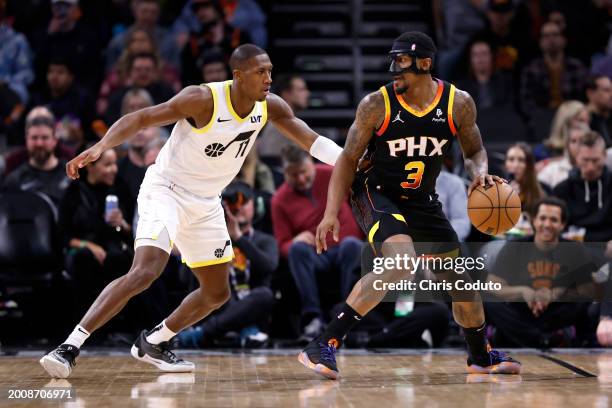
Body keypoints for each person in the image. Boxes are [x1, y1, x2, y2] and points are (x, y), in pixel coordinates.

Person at [39, 44, 343, 379]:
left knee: (217, 292)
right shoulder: (202, 99)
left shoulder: (270, 106)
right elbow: (141, 118)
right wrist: (101, 146)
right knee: (146, 270)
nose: (269, 78)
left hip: (207, 200)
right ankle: (69, 346)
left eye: (270, 70)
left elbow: (313, 142)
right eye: (261, 72)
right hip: (166, 190)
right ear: (238, 76)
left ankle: (154, 342)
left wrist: (351, 161)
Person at [299, 32, 520, 380]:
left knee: (461, 281)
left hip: (422, 199)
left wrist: (480, 173)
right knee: (400, 262)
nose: (394, 69)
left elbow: (474, 150)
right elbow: (346, 160)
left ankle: (480, 356)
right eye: (393, 60)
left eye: (401, 61)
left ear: (425, 63)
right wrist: (330, 213)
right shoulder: (376, 104)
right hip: (375, 191)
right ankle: (324, 342)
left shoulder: (457, 103)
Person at [271, 146, 362, 340]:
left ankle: (347, 315)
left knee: (353, 245)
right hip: (316, 253)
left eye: (304, 172)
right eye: (294, 175)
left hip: (346, 247)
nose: (301, 179)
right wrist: (293, 241)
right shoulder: (279, 200)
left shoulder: (331, 174)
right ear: (284, 173)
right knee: (297, 249)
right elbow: (281, 244)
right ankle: (312, 318)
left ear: (312, 165)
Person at [485, 197, 597, 347]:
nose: (547, 224)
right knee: (488, 302)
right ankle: (543, 339)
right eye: (542, 218)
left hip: (555, 313)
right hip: (521, 311)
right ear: (534, 221)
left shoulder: (575, 249)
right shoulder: (515, 247)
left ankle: (521, 337)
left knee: (583, 302)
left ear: (562, 224)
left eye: (554, 220)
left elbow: (589, 290)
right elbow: (492, 285)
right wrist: (523, 291)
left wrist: (556, 293)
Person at [177, 181, 277, 347]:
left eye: (244, 203)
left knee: (265, 294)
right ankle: (245, 330)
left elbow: (269, 267)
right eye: (233, 205)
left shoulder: (265, 240)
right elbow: (184, 276)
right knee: (218, 285)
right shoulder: (213, 237)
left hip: (251, 305)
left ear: (256, 205)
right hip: (218, 304)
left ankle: (202, 334)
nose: (238, 209)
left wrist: (239, 238)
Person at [553, 131, 612, 243]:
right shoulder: (562, 190)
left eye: (595, 160)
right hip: (573, 248)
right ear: (576, 157)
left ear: (604, 156)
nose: (590, 167)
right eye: (585, 160)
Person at [2, 115, 70, 208]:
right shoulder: (14, 181)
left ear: (54, 141)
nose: (39, 143)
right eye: (34, 137)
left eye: (45, 137)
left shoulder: (71, 175)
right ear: (26, 140)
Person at [258, 74, 311, 163]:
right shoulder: (282, 121)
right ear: (286, 94)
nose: (307, 93)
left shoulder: (275, 117)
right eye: (301, 89)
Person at [585, 75, 612, 147]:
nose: (611, 94)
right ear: (590, 93)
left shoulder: (609, 117)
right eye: (607, 90)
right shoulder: (583, 121)